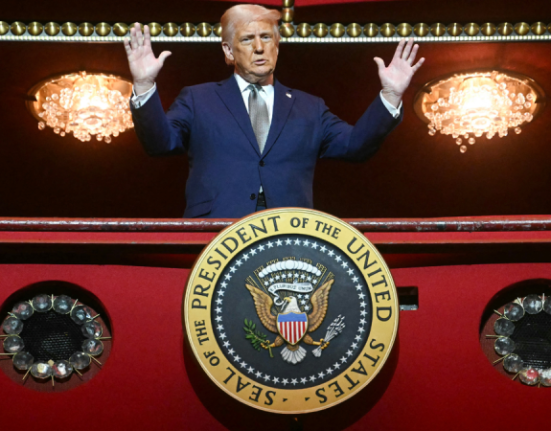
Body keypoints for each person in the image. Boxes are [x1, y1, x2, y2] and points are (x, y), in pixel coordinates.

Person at [124, 4, 424, 218]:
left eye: (266, 38)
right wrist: (144, 84)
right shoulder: (198, 98)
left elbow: (355, 146)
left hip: (289, 235)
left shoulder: (309, 107)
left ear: (277, 46)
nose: (259, 47)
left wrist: (390, 95)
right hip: (217, 233)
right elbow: (160, 144)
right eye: (247, 39)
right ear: (228, 50)